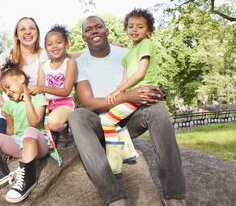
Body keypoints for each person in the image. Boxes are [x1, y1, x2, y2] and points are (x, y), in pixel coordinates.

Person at [69, 15, 186, 206]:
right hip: (101, 123)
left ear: (107, 31)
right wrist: (125, 96)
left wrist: (155, 92)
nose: (94, 31)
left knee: (157, 108)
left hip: (129, 119)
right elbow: (88, 103)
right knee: (77, 116)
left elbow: (145, 77)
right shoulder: (80, 63)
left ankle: (174, 194)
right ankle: (115, 197)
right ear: (83, 37)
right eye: (88, 29)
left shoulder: (126, 53)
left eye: (98, 27)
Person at [0, 60, 50, 203]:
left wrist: (27, 100)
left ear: (21, 79)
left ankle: (28, 179)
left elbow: (35, 122)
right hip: (19, 143)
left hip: (37, 143)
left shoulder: (38, 97)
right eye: (5, 90)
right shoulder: (8, 105)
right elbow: (10, 130)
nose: (8, 92)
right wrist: (8, 150)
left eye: (9, 87)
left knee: (30, 130)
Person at [101, 9, 158, 174]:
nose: (134, 30)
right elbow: (124, 80)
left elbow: (140, 73)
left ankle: (115, 163)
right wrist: (117, 92)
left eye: (140, 27)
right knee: (112, 118)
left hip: (142, 91)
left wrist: (119, 90)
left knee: (107, 122)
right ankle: (128, 152)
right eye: (131, 26)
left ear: (148, 31)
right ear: (125, 29)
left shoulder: (146, 44)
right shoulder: (127, 55)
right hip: (132, 93)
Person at [0, 17, 48, 134]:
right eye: (22, 29)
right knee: (2, 150)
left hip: (33, 115)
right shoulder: (5, 56)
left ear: (37, 32)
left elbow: (67, 58)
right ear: (16, 35)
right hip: (7, 117)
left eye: (32, 28)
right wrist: (5, 107)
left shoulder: (45, 55)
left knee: (30, 150)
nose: (27, 32)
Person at [30, 24, 77, 131]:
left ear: (67, 45)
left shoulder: (69, 63)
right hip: (47, 105)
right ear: (45, 48)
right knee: (31, 120)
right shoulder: (43, 66)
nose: (54, 46)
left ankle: (66, 130)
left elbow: (66, 91)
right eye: (50, 44)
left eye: (59, 42)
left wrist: (43, 88)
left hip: (66, 104)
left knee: (52, 122)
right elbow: (39, 90)